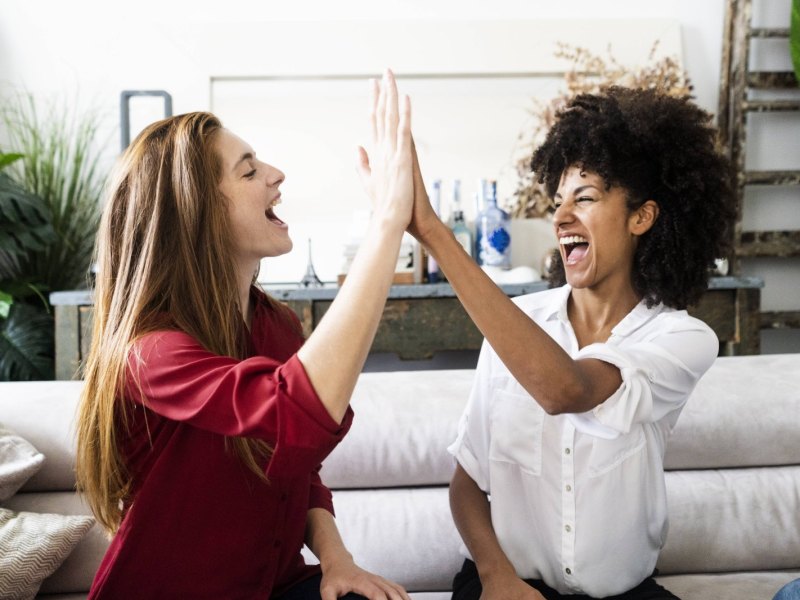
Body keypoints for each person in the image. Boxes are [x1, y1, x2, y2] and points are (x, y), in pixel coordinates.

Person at [76, 70, 414, 600]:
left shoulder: (276, 326)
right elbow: (295, 411)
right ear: (199, 212)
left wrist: (337, 562)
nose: (276, 176)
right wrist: (387, 223)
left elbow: (299, 466)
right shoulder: (151, 355)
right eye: (249, 170)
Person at [406, 87, 736, 600]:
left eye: (584, 198)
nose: (561, 218)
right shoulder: (517, 323)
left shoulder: (682, 338)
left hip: (621, 593)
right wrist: (497, 577)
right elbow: (468, 481)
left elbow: (567, 390)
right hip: (507, 582)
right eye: (557, 202)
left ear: (640, 217)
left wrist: (435, 233)